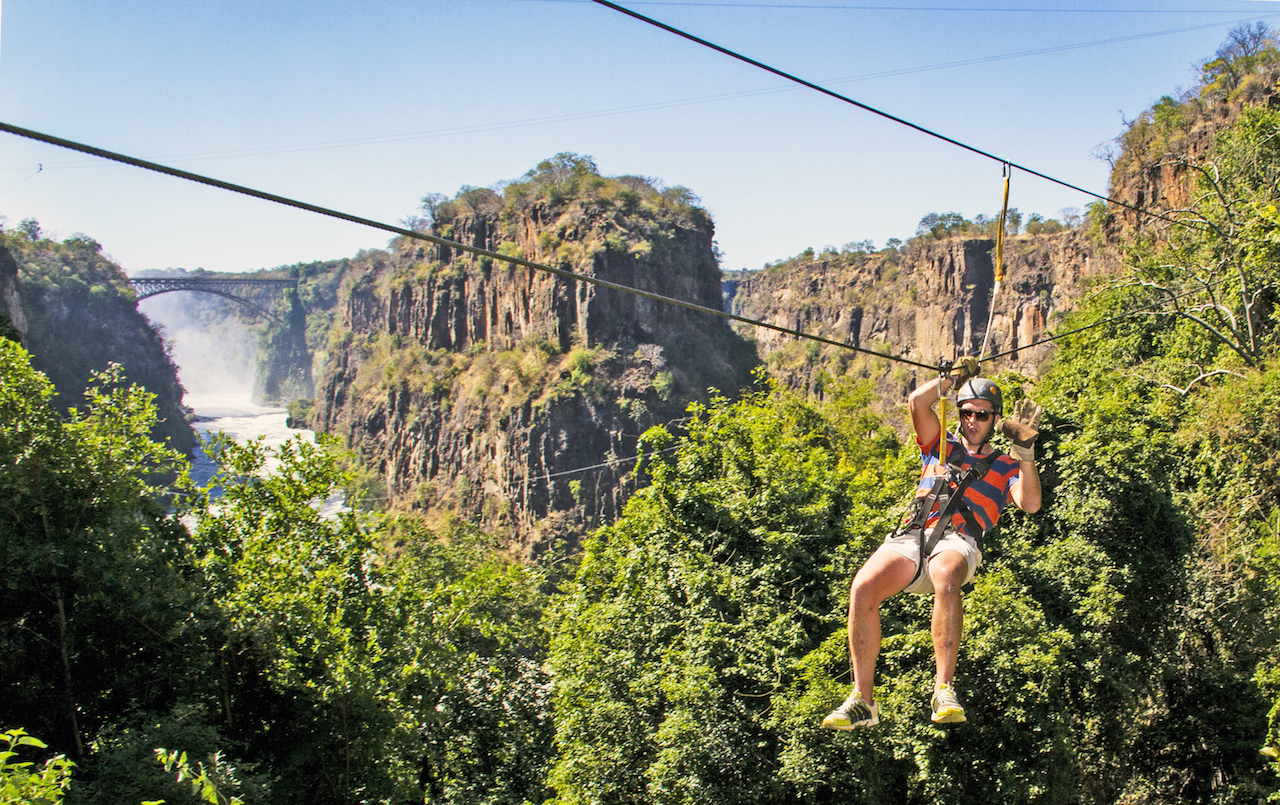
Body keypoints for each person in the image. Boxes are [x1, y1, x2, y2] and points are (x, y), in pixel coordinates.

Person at [822, 358, 1043, 728]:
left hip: (959, 540)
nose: (974, 420)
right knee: (862, 587)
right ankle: (863, 700)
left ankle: (943, 688)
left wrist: (1026, 455)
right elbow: (916, 403)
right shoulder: (940, 446)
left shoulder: (1006, 465)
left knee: (946, 573)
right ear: (959, 414)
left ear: (994, 420)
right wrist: (951, 380)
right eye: (968, 412)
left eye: (984, 415)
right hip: (914, 534)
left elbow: (1031, 504)